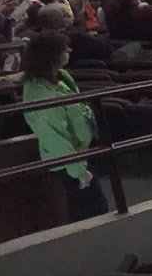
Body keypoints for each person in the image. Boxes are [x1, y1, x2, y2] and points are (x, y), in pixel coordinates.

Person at [21, 31, 105, 221]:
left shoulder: (60, 77)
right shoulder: (43, 99)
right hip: (70, 162)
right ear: (50, 56)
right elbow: (55, 139)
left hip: (81, 151)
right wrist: (79, 172)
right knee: (91, 206)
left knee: (90, 203)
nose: (69, 50)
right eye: (63, 49)